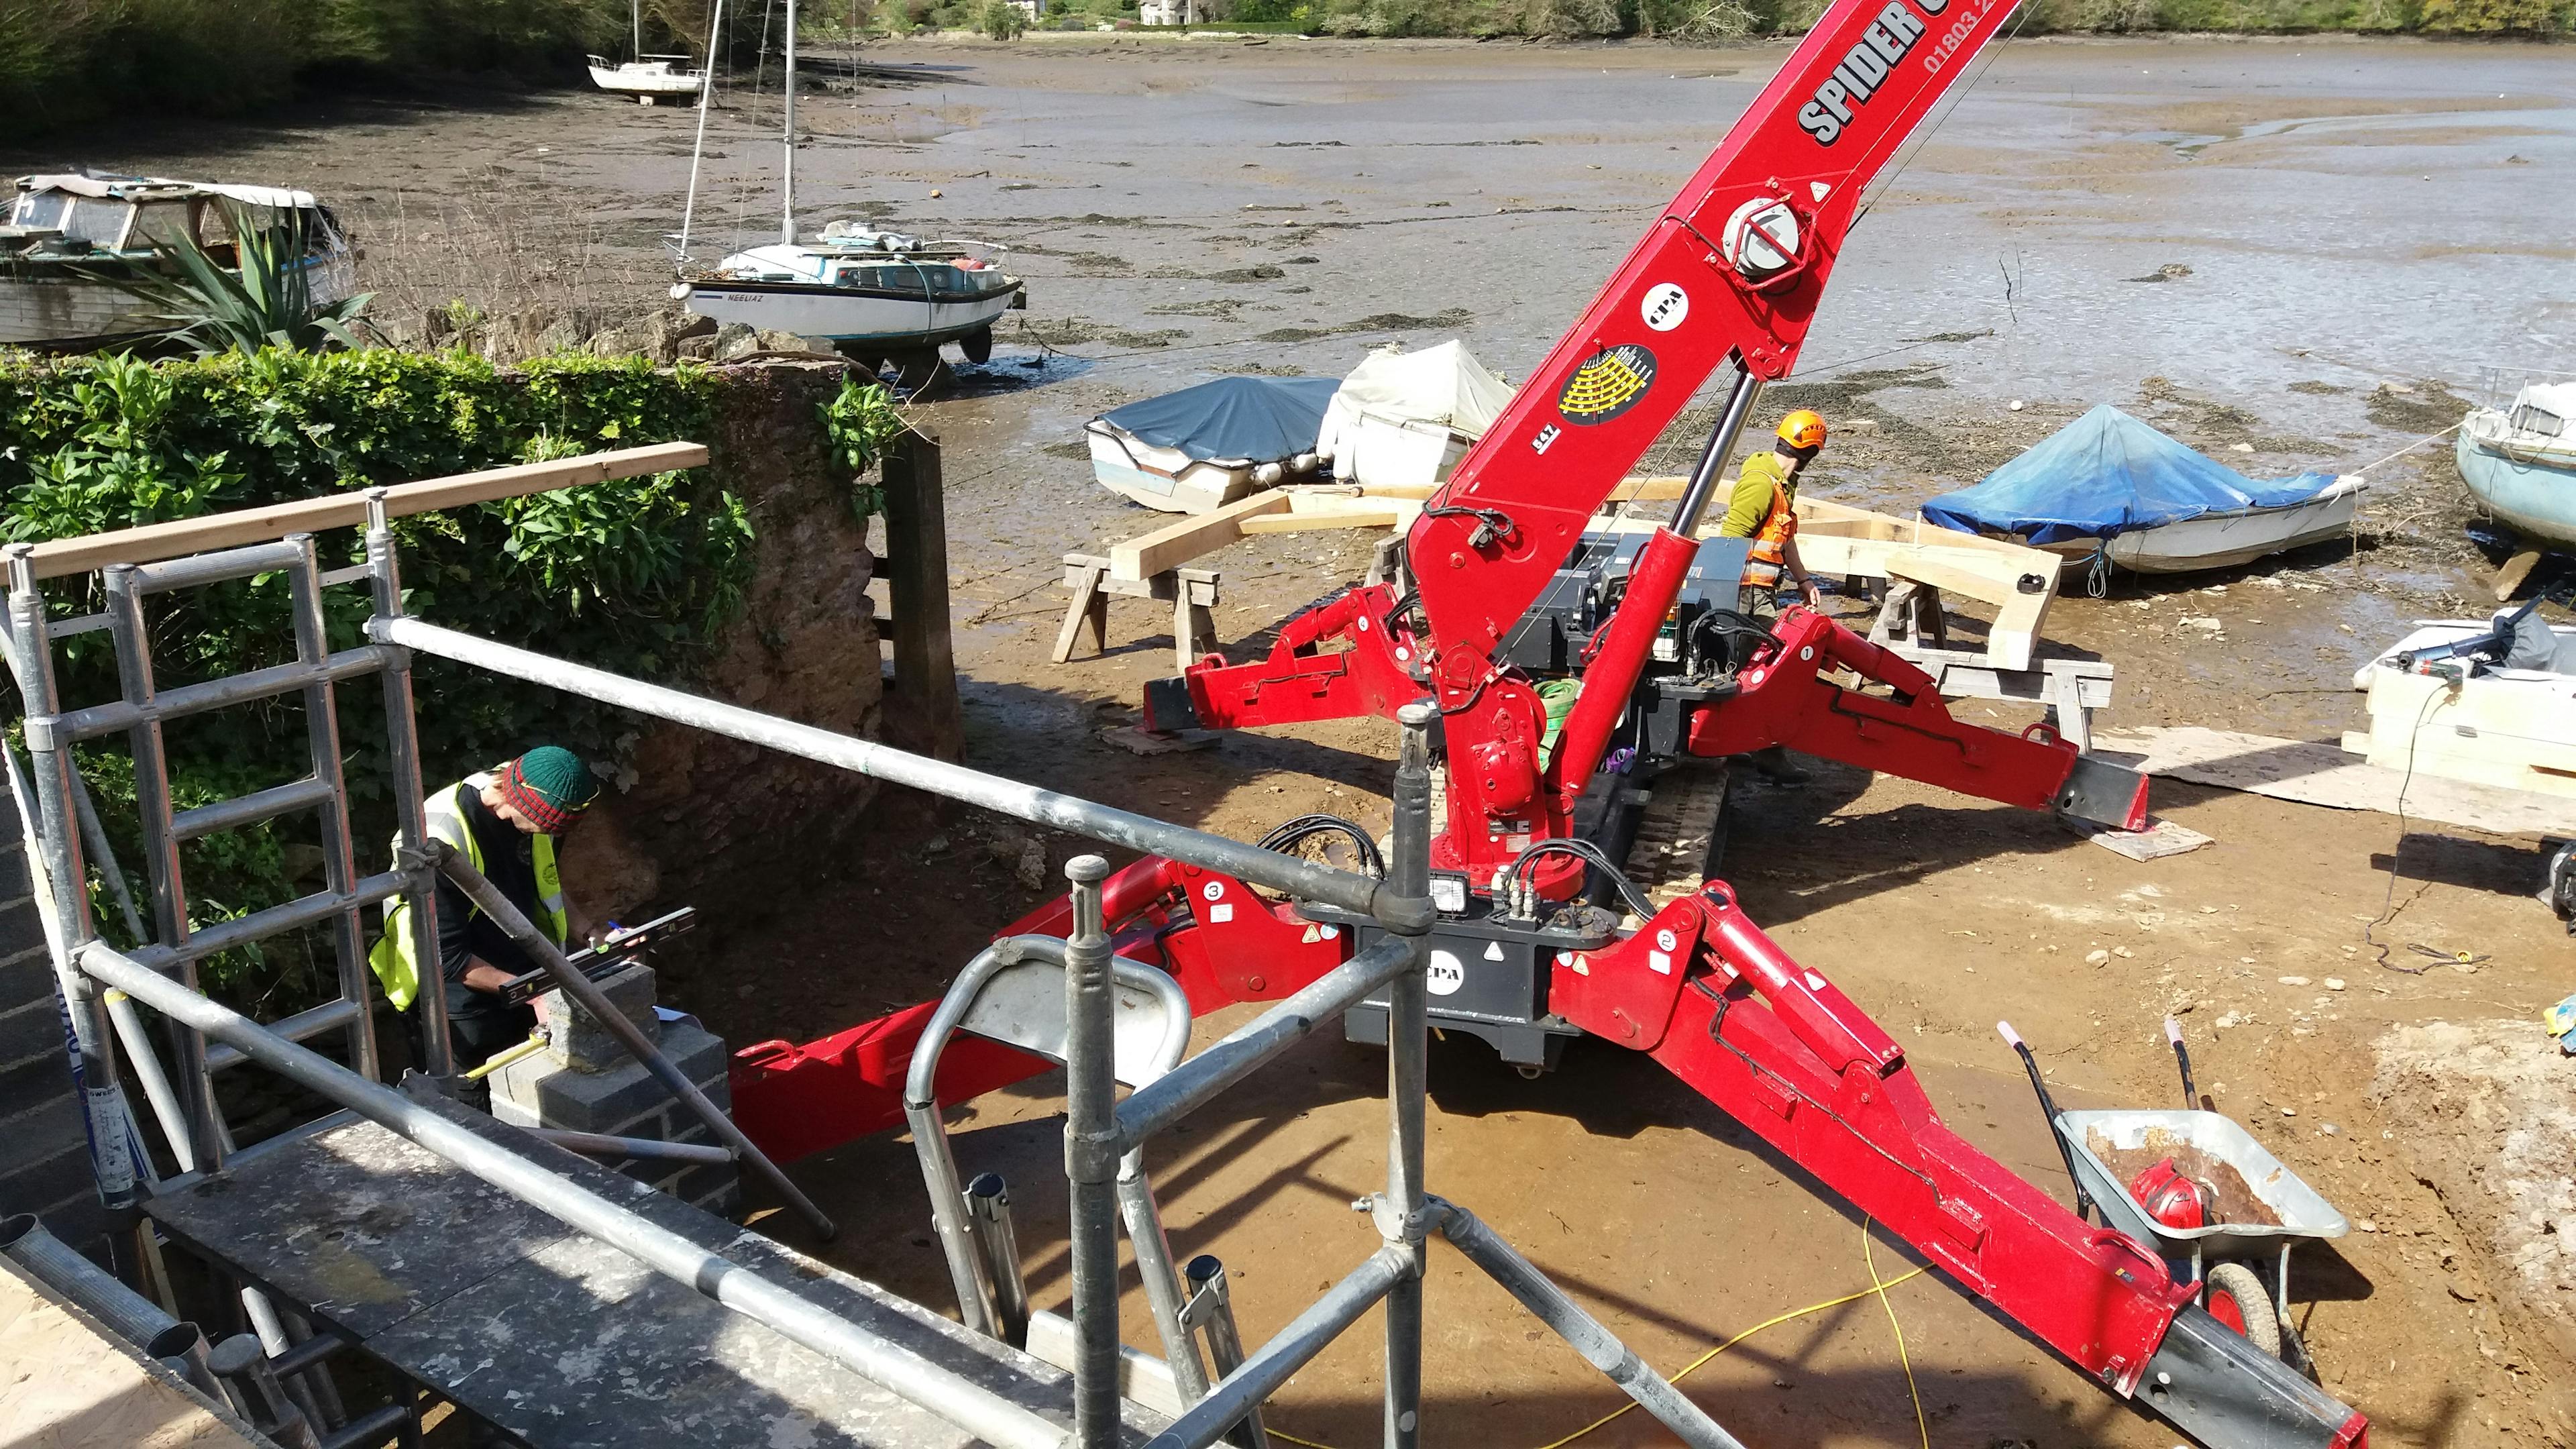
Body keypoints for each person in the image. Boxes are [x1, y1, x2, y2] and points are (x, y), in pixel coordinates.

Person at [368, 746, 602, 1072]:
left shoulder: (529, 789)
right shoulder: (437, 841)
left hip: (522, 981)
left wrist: (595, 935)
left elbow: (545, 881)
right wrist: (537, 993)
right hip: (459, 1010)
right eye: (545, 827)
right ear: (521, 804)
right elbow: (447, 959)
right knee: (475, 1109)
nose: (550, 836)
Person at [1717, 409, 1829, 616]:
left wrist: (1803, 580)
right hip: (1746, 593)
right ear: (1810, 453)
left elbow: (1785, 540)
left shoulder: (1782, 485)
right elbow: (1730, 540)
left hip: (1761, 592)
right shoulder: (1761, 484)